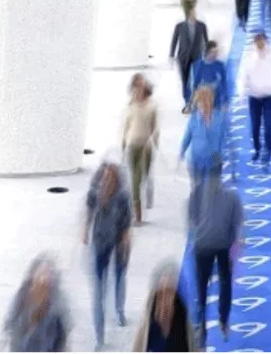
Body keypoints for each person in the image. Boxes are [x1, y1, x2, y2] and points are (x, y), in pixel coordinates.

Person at [188, 166, 244, 349]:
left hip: (203, 246)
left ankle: (200, 331)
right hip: (221, 245)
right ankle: (223, 320)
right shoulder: (232, 197)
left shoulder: (197, 193)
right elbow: (238, 227)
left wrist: (198, 233)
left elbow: (191, 218)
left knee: (202, 289)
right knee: (225, 282)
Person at [83, 162, 133, 351]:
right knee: (99, 292)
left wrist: (126, 239)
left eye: (111, 177)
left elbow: (127, 221)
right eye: (104, 177)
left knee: (120, 277)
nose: (107, 181)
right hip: (100, 241)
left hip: (119, 240)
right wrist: (85, 229)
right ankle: (99, 336)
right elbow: (89, 209)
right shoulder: (95, 192)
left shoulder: (122, 196)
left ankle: (120, 310)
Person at [1, 254, 70, 352]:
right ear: (34, 274)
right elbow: (12, 316)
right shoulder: (24, 292)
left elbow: (62, 334)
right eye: (41, 272)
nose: (43, 277)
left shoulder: (56, 300)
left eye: (47, 273)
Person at [236, 30, 271, 163]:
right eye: (256, 40)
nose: (259, 42)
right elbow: (242, 77)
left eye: (261, 39)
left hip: (269, 96)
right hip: (254, 97)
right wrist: (241, 93)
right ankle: (257, 149)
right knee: (255, 127)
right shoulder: (249, 58)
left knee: (268, 126)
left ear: (265, 40)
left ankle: (268, 150)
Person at [132, 261, 196, 352]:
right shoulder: (148, 326)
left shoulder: (184, 323)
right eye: (161, 293)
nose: (165, 299)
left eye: (169, 292)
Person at [123, 74, 159, 223]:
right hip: (132, 146)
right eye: (136, 87)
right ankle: (137, 209)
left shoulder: (151, 106)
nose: (138, 90)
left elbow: (155, 128)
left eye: (141, 86)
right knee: (134, 178)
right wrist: (123, 142)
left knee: (139, 178)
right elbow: (127, 125)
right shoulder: (130, 105)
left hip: (146, 148)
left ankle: (138, 210)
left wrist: (153, 143)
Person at [179, 87, 228, 186]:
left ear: (211, 102)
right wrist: (181, 152)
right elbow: (187, 138)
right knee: (197, 189)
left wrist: (221, 154)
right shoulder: (193, 119)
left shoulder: (220, 118)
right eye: (200, 104)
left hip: (214, 161)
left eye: (206, 103)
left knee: (213, 191)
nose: (203, 107)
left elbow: (224, 138)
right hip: (196, 161)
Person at [170, 8, 209, 114]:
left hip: (197, 56)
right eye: (191, 13)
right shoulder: (179, 26)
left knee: (196, 79)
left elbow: (206, 40)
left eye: (194, 13)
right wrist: (171, 54)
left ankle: (195, 101)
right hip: (183, 57)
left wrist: (207, 53)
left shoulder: (202, 26)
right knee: (185, 80)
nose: (193, 15)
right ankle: (187, 102)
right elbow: (175, 40)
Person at [191, 40, 229, 110]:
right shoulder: (199, 65)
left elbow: (223, 84)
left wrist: (225, 101)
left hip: (217, 101)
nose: (215, 54)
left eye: (216, 51)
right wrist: (193, 101)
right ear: (207, 52)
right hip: (203, 99)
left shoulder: (220, 65)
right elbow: (195, 83)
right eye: (213, 52)